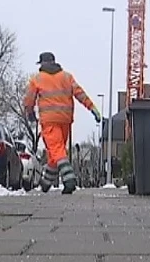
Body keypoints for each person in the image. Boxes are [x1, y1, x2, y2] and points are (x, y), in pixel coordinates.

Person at [24, 52, 102, 194]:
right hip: (65, 120)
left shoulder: (37, 79)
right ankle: (46, 182)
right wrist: (93, 108)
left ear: (42, 64)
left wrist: (30, 113)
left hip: (49, 120)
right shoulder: (67, 77)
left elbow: (29, 99)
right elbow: (80, 93)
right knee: (56, 151)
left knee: (57, 150)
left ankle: (69, 179)